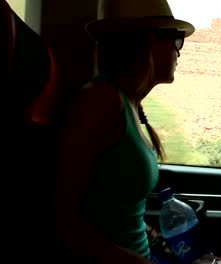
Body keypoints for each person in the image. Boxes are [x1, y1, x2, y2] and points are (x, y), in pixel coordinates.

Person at [51, 0, 195, 263]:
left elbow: (127, 217)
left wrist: (169, 248)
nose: (178, 52)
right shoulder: (100, 100)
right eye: (176, 40)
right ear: (151, 41)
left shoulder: (128, 104)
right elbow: (62, 221)